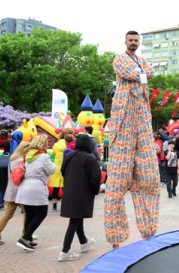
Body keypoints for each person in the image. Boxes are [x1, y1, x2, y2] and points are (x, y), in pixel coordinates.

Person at [104, 31, 160, 249]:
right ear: (125, 42)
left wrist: (140, 72)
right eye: (131, 40)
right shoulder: (119, 58)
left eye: (136, 40)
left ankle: (149, 231)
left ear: (139, 42)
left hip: (143, 121)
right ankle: (115, 238)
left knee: (150, 179)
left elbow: (149, 72)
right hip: (124, 121)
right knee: (116, 183)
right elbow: (129, 71)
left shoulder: (143, 61)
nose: (134, 43)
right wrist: (140, 72)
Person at [58, 134, 101, 262]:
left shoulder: (69, 155)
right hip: (83, 193)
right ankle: (65, 251)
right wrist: (95, 190)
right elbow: (95, 178)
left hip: (69, 191)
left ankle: (84, 242)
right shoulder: (90, 158)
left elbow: (63, 171)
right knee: (74, 220)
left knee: (77, 218)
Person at [15, 134, 56, 251]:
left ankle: (28, 239)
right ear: (42, 144)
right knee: (41, 214)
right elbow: (51, 170)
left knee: (30, 214)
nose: (47, 145)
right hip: (36, 187)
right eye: (46, 143)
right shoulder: (43, 156)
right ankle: (25, 238)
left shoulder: (28, 155)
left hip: (24, 187)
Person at [0, 141, 31, 245]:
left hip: (11, 189)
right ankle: (25, 234)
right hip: (19, 190)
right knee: (28, 213)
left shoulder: (12, 159)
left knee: (8, 213)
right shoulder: (22, 161)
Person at [49, 129, 72, 213]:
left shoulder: (56, 145)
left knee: (55, 188)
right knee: (65, 187)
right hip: (66, 167)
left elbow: (53, 154)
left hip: (57, 166)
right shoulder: (68, 145)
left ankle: (54, 206)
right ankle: (66, 205)